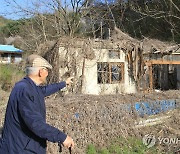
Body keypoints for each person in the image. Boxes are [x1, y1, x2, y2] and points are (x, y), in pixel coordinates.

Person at [0, 54, 74, 154]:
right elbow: (35, 123)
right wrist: (62, 137)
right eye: (47, 70)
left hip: (22, 146)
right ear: (41, 71)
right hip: (21, 149)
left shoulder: (28, 87)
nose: (47, 73)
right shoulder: (25, 90)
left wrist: (64, 83)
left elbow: (45, 90)